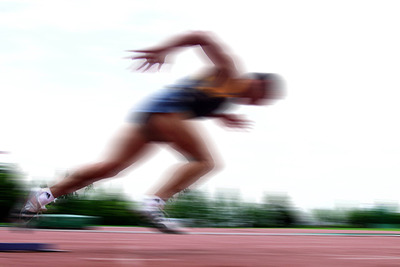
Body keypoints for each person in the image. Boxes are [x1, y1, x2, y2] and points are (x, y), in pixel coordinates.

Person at [19, 31, 283, 233]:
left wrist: (221, 115)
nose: (258, 104)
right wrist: (163, 49)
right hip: (166, 112)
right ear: (259, 83)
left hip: (151, 114)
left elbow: (198, 96)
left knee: (111, 167)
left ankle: (42, 195)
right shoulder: (230, 72)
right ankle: (153, 203)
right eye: (263, 97)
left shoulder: (228, 95)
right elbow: (202, 37)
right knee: (205, 162)